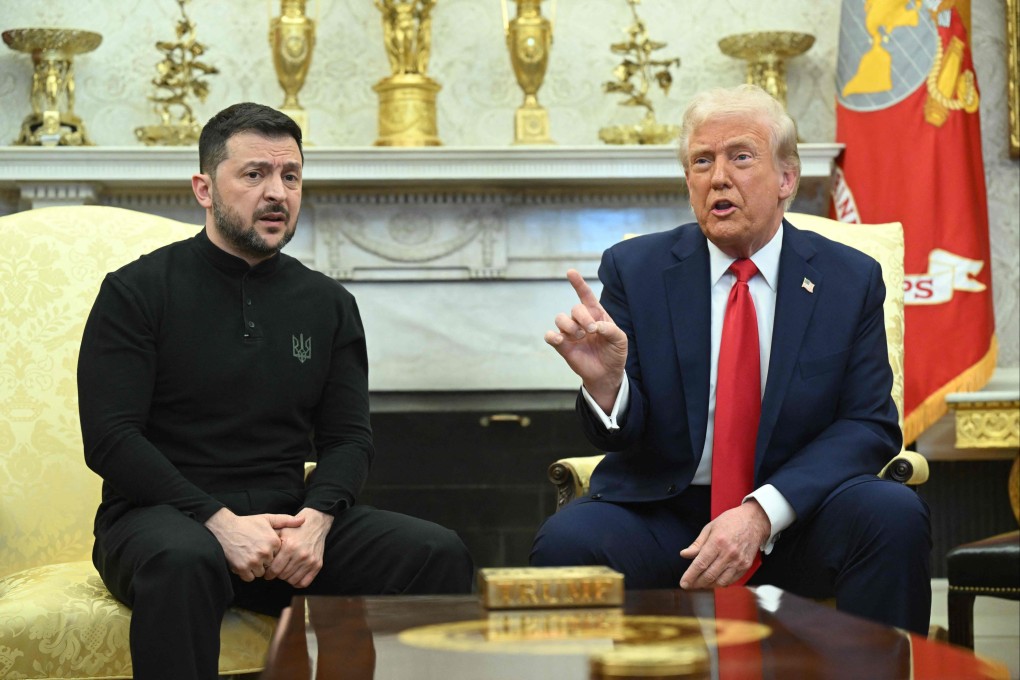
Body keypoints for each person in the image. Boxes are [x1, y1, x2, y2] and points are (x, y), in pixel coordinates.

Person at [78, 102, 474, 680]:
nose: (277, 193)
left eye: (290, 176)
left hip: (287, 520)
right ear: (204, 188)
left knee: (435, 552)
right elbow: (110, 439)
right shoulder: (136, 291)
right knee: (184, 561)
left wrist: (316, 520)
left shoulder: (328, 304)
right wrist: (218, 522)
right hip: (159, 518)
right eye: (255, 174)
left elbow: (349, 438)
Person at [531, 84, 931, 634]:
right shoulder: (636, 269)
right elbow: (620, 435)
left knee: (892, 516)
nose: (719, 176)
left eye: (741, 157)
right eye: (702, 161)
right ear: (689, 182)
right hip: (668, 515)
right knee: (567, 541)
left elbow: (869, 424)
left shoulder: (849, 279)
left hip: (798, 514)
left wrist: (762, 512)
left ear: (787, 178)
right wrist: (608, 388)